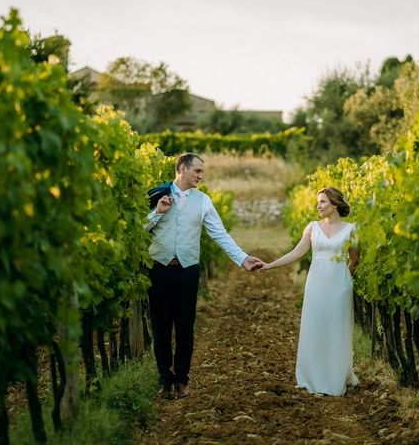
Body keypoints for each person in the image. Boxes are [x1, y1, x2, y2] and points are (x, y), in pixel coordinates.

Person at [145, 152, 263, 399]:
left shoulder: (203, 201)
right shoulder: (156, 195)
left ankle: (182, 380)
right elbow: (139, 229)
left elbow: (219, 234)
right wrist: (157, 212)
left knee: (186, 328)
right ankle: (165, 380)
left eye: (201, 171)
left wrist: (242, 258)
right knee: (161, 328)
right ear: (182, 169)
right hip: (160, 270)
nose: (201, 175)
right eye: (197, 171)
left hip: (188, 271)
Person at [261, 186, 359, 396]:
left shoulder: (352, 229)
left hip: (339, 286)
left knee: (336, 329)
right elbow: (296, 253)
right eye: (318, 202)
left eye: (323, 202)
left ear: (334, 204)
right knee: (314, 327)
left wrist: (343, 278)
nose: (319, 206)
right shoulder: (312, 228)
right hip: (315, 285)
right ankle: (312, 378)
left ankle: (335, 378)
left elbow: (355, 260)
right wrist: (270, 265)